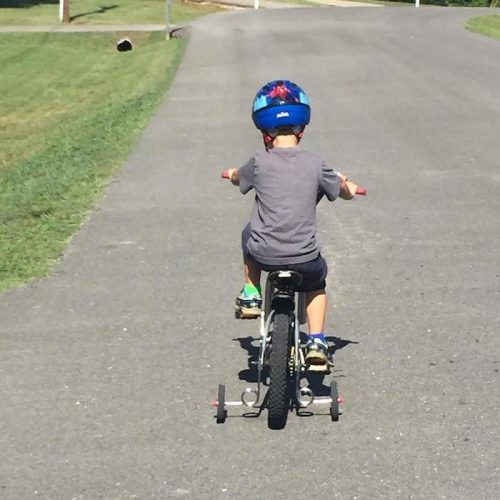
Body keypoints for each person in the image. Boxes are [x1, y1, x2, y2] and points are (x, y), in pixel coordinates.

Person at [224, 80, 359, 367]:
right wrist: (348, 186)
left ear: (265, 131)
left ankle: (251, 294)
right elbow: (344, 191)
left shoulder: (258, 162)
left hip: (265, 255)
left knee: (248, 232)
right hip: (304, 258)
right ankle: (318, 340)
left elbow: (238, 178)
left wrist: (233, 173)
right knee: (317, 283)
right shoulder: (317, 163)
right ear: (301, 129)